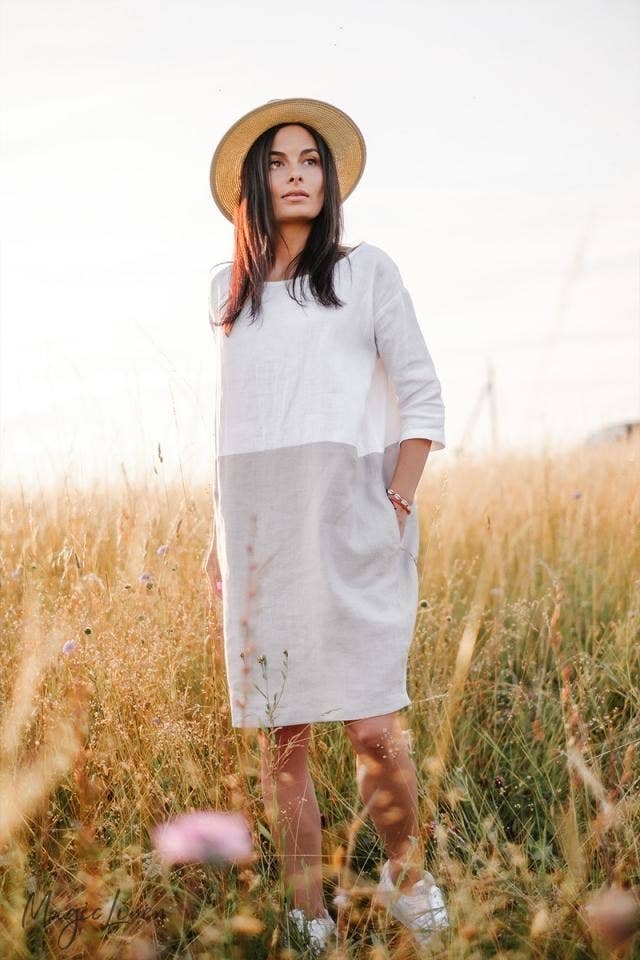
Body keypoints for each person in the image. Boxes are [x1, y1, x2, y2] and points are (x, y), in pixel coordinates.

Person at [204, 97, 449, 953]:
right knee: (286, 738)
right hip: (258, 530)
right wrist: (216, 542)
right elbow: (230, 426)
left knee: (375, 728)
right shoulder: (226, 292)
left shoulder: (365, 271)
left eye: (309, 159)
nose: (297, 173)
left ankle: (406, 878)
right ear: (255, 184)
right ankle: (308, 910)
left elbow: (420, 393)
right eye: (277, 161)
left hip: (350, 517)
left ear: (329, 176)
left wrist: (397, 499)